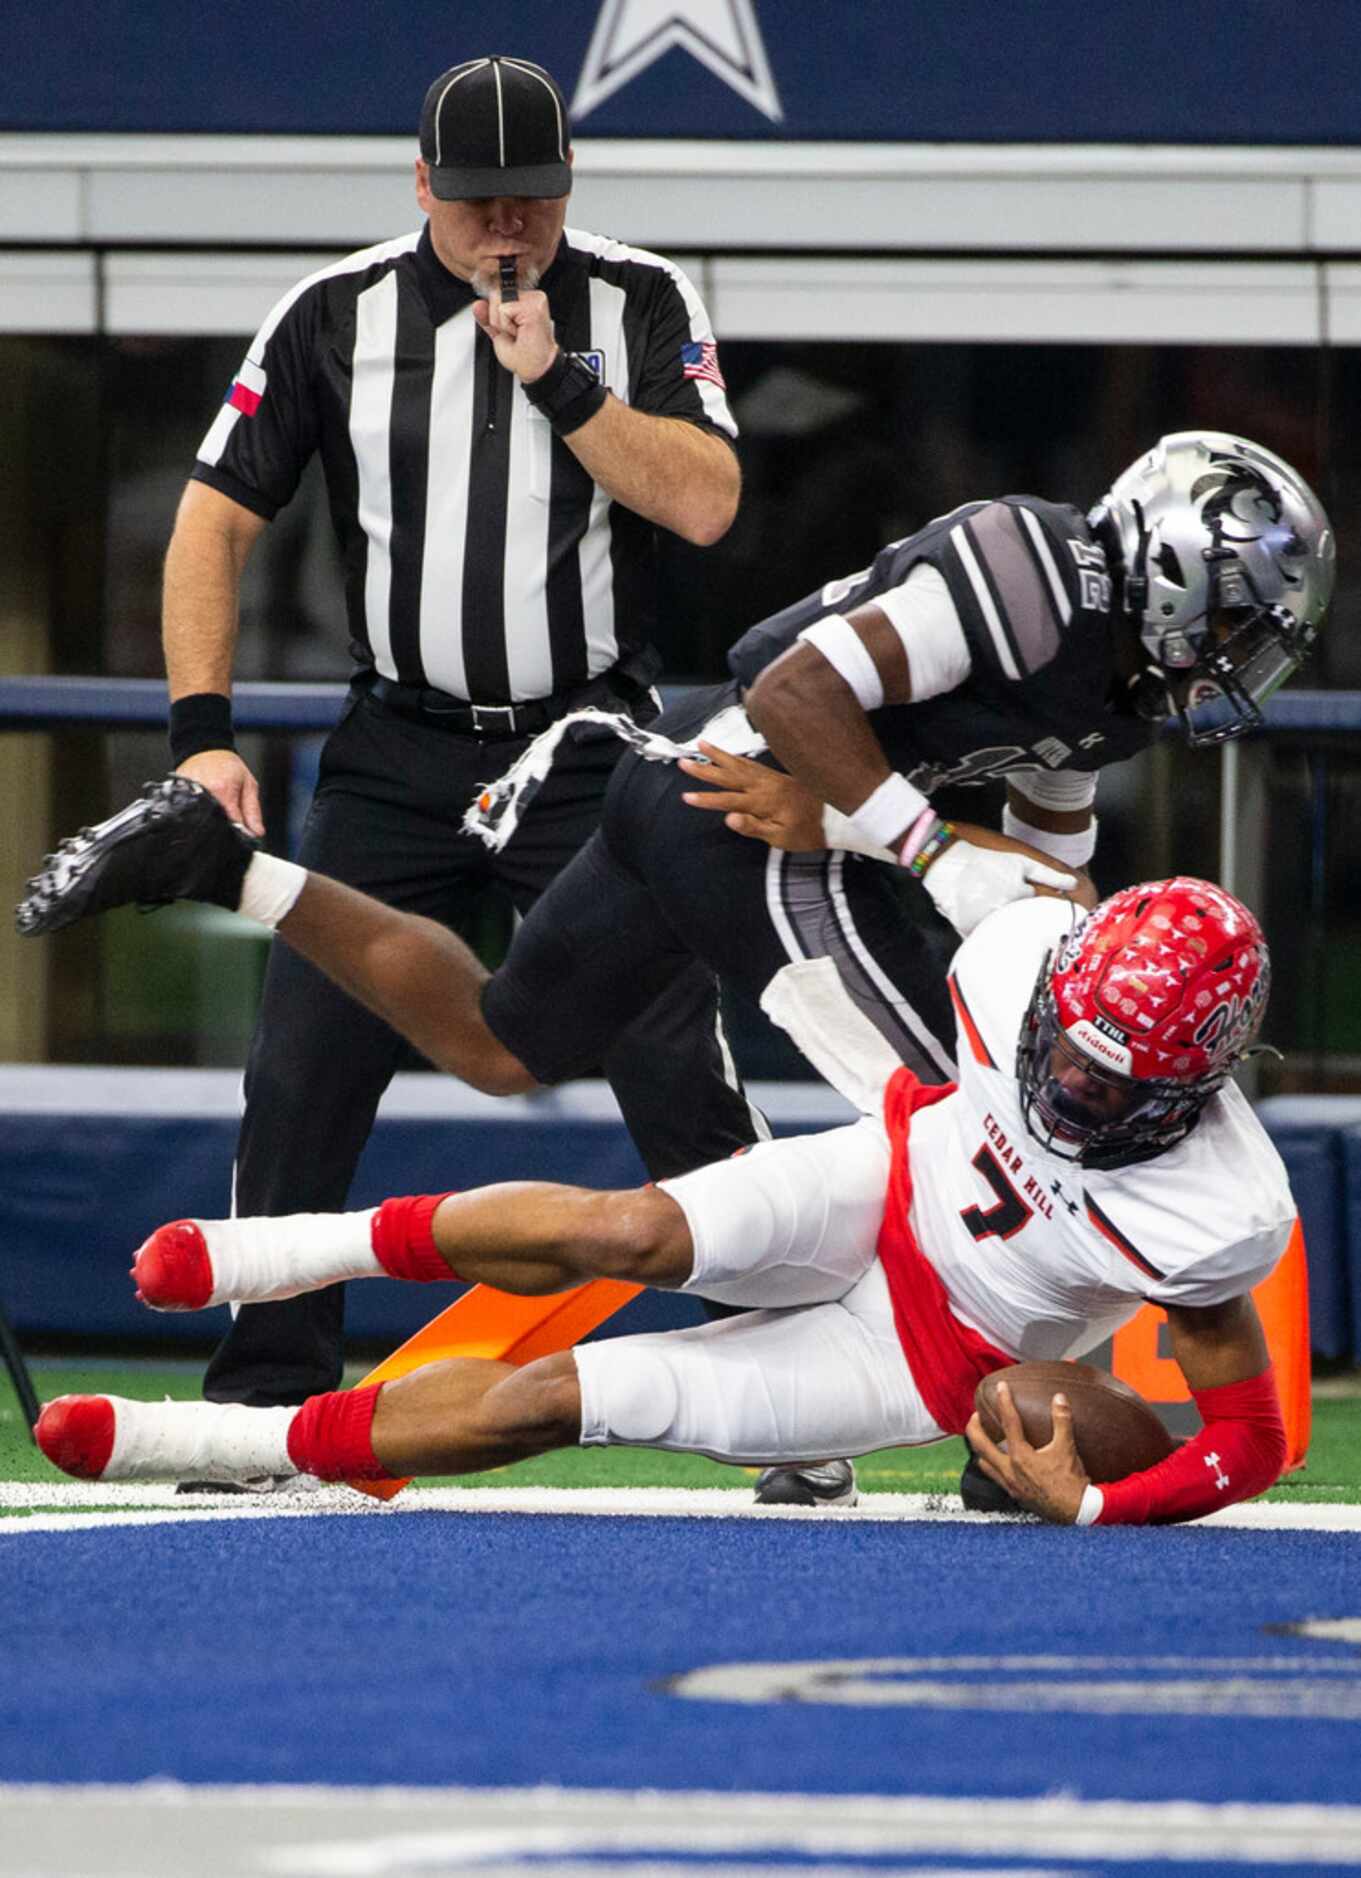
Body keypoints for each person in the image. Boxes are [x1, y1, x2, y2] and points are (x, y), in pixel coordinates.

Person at [18, 429, 1332, 1502]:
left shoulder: (1099, 684)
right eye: (1233, 622)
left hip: (700, 803)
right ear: (1164, 568)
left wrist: (934, 848)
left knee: (495, 1043)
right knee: (1012, 1126)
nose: (1237, 660)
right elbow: (789, 675)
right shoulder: (1027, 568)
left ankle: (224, 866)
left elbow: (1055, 888)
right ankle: (970, 1445)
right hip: (744, 819)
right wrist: (911, 841)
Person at [136, 55, 759, 1470]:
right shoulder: (330, 314)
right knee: (303, 1059)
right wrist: (202, 737)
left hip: (586, 738)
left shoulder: (637, 299)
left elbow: (708, 503)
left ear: (566, 187)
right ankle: (264, 1399)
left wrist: (563, 381)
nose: (505, 231)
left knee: (669, 1048)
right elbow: (211, 520)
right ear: (421, 187)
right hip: (399, 739)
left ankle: (777, 1364)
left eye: (529, 201)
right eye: (476, 203)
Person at [35, 877, 1296, 1528]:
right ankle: (288, 1251)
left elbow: (1252, 1442)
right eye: (1064, 1044)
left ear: (1203, 1077)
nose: (1067, 1080)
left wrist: (1096, 1502)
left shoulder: (1211, 1207)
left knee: (566, 1398)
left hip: (927, 1357)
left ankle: (219, 1444)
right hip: (876, 1182)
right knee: (620, 1227)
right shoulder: (1016, 956)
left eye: (1110, 1076)